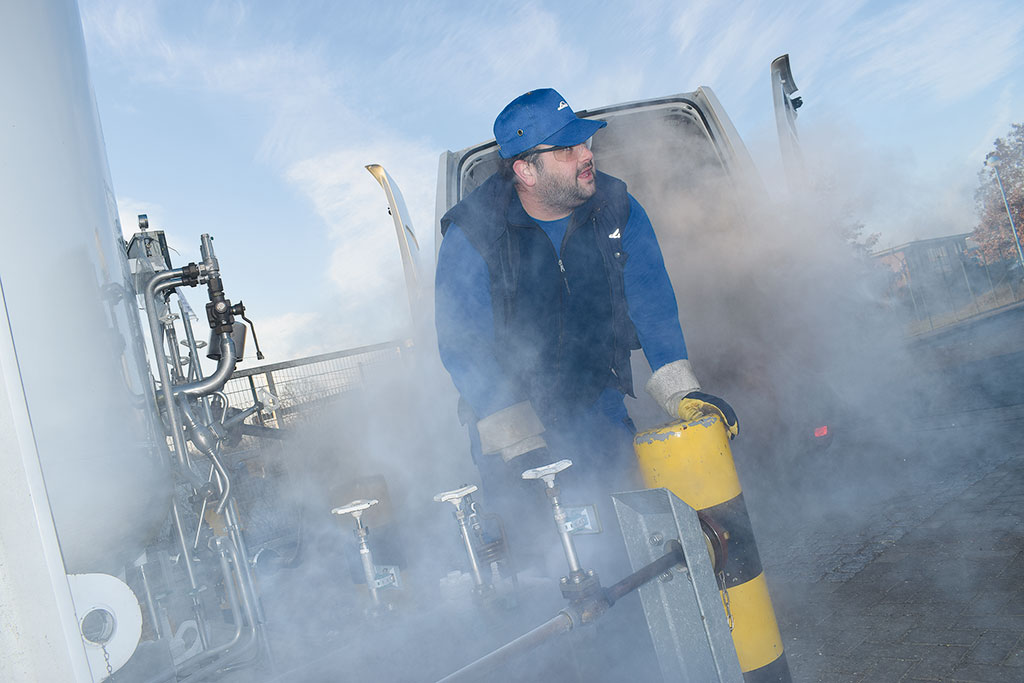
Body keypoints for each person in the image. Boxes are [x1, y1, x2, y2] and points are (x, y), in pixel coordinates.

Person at [434, 87, 737, 576]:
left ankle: (641, 637)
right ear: (525, 170)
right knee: (542, 561)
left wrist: (683, 392)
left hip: (596, 406)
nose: (587, 154)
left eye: (586, 142)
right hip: (510, 414)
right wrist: (517, 441)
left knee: (628, 543)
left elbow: (651, 299)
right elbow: (462, 343)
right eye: (568, 148)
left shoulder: (615, 208)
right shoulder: (473, 233)